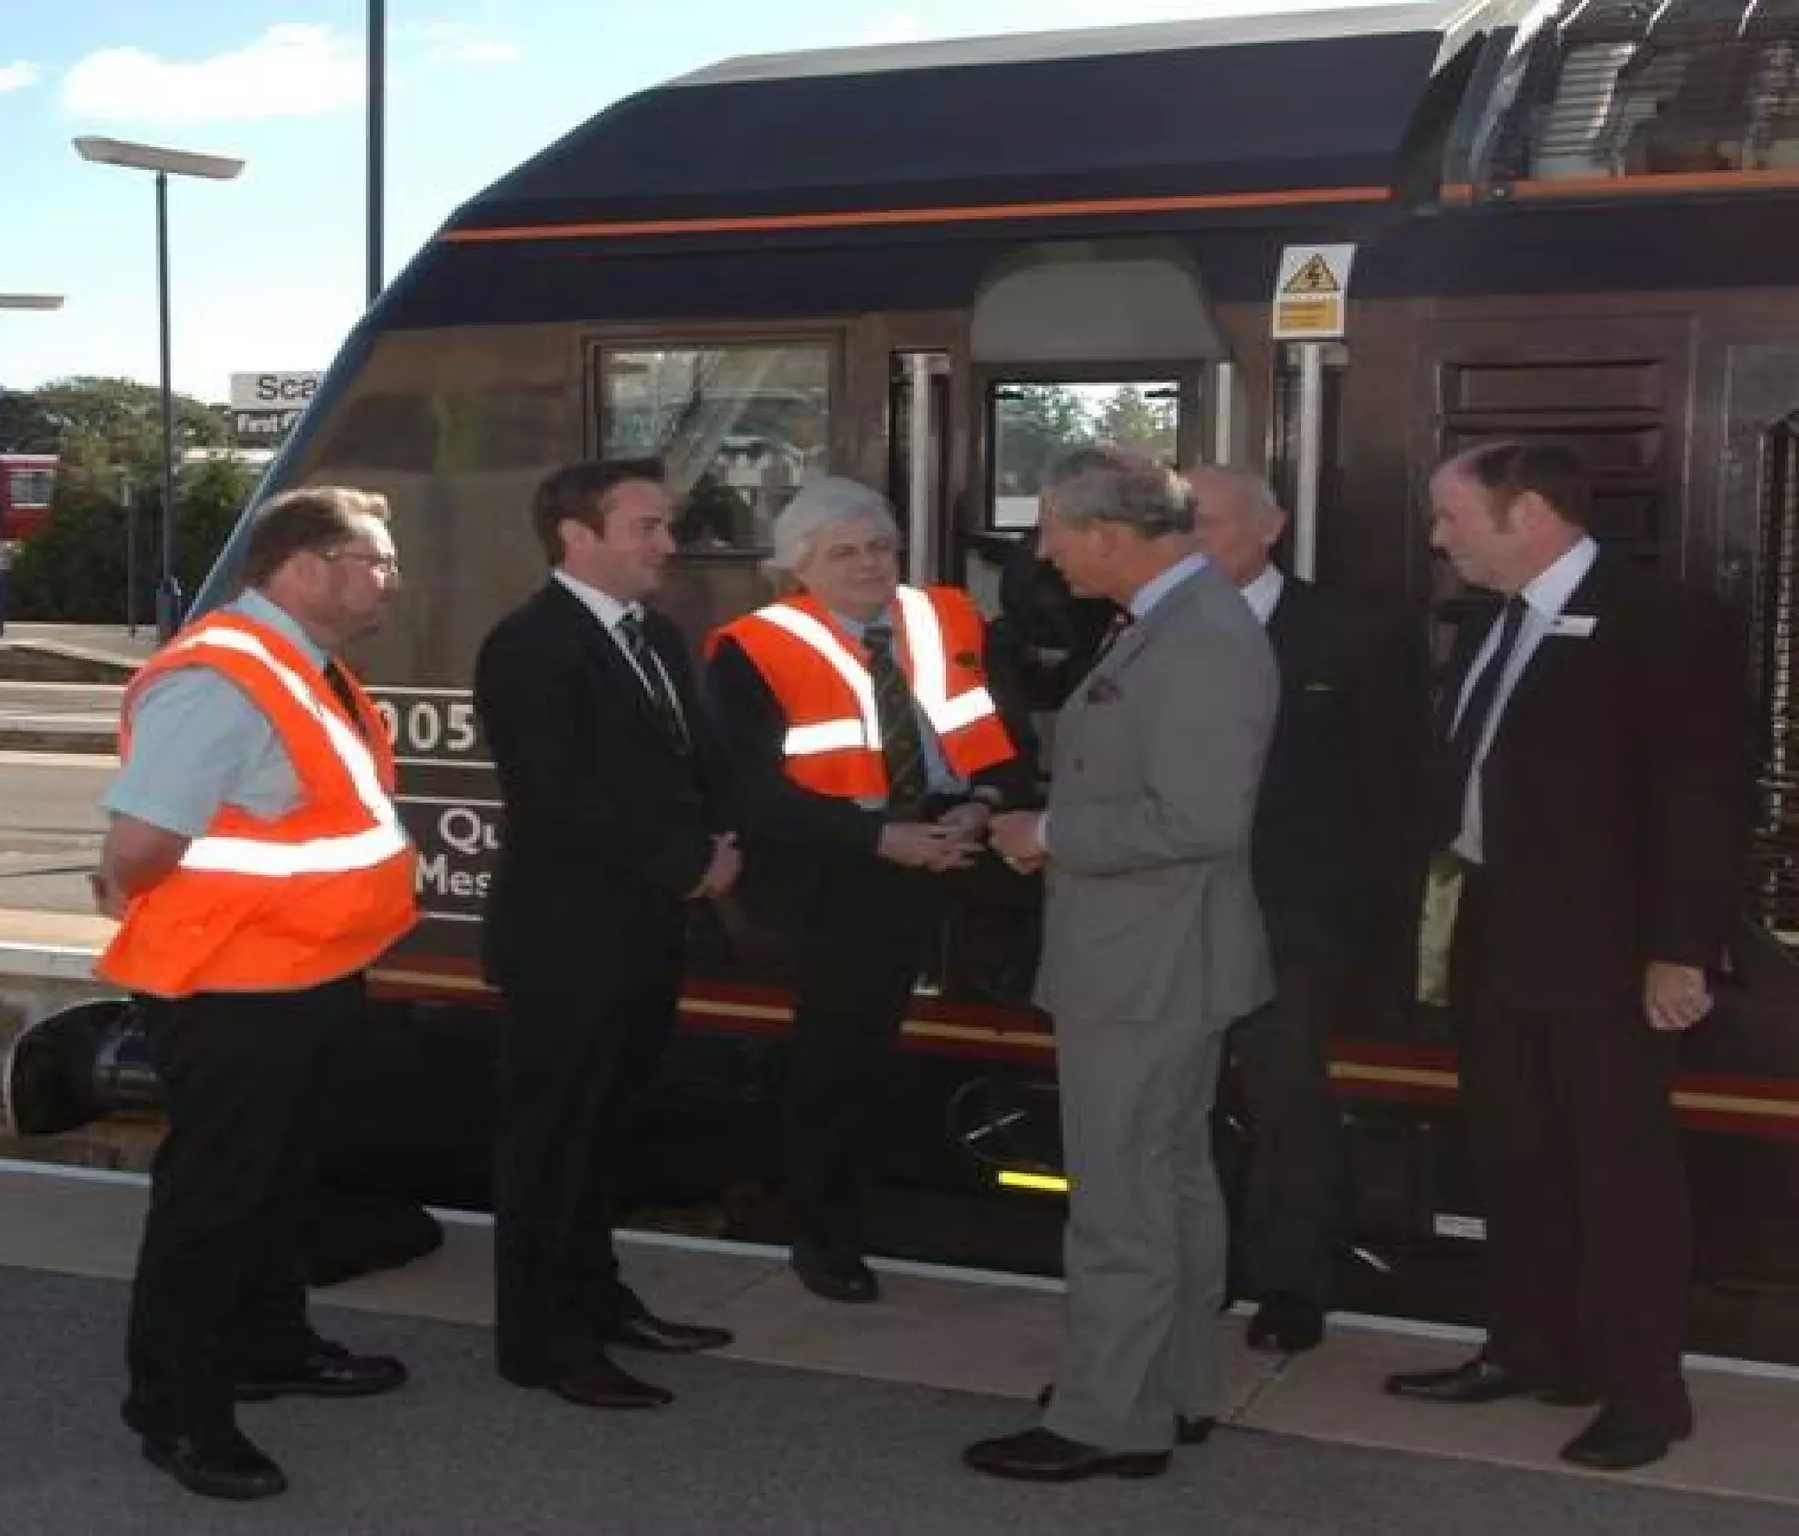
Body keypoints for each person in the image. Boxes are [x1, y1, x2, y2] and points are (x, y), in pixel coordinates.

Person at [1384, 442, 1748, 1472]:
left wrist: (1678, 952)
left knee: (1620, 1178)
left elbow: (1700, 798)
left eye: (1452, 517)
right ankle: (1530, 1348)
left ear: (1529, 513)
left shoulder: (1659, 619)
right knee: (1513, 1157)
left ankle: (1644, 1395)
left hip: (1609, 952)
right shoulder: (1496, 622)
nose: (1437, 539)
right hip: (1493, 930)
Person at [93, 485, 417, 1502]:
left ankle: (270, 1345)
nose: (391, 580)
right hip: (232, 986)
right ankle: (178, 1411)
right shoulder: (223, 677)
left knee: (279, 1182)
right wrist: (130, 887)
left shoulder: (299, 666)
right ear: (305, 569)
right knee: (216, 1199)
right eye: (374, 561)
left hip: (302, 971)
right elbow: (140, 844)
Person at [966, 449, 1277, 1483]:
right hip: (1161, 958)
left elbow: (1195, 820)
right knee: (1170, 1179)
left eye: (1054, 531)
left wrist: (1047, 833)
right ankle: (1166, 1389)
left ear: (1107, 533)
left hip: (1144, 965)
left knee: (1120, 1196)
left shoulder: (1195, 636)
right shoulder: (1178, 620)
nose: (1044, 553)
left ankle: (1107, 1419)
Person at [703, 477, 1037, 1303]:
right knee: (836, 1060)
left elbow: (1010, 743)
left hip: (961, 849)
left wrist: (982, 804)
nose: (868, 565)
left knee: (949, 1044)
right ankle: (823, 1236)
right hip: (840, 872)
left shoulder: (949, 621)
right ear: (798, 569)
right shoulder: (752, 648)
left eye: (880, 547)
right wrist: (879, 838)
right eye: (843, 553)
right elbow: (749, 791)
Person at [474, 457, 740, 1411]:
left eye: (666, 525)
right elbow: (556, 797)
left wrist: (724, 839)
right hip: (565, 943)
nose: (668, 544)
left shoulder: (655, 636)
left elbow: (698, 761)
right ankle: (542, 1342)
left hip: (643, 935)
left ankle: (598, 1299)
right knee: (552, 1143)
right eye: (647, 527)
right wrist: (686, 863)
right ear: (576, 536)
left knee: (608, 1133)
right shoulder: (527, 646)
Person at [1188, 465, 1428, 1353]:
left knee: (1288, 1100)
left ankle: (1290, 1284)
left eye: (1208, 523)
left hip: (1297, 921)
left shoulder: (1354, 633)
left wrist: (1369, 922)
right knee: (1182, 1101)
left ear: (1271, 526)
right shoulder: (1146, 625)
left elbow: (1397, 788)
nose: (1189, 542)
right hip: (1175, 914)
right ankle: (1198, 1271)